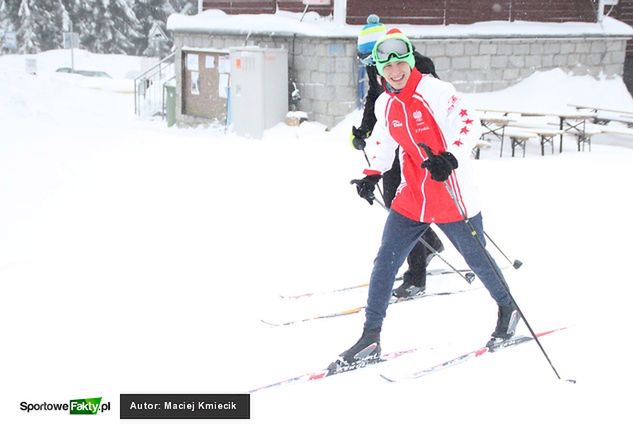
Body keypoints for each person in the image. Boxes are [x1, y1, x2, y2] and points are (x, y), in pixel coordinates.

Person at [335, 28, 519, 369]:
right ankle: (371, 336)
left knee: (477, 260)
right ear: (378, 70)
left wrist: (449, 155)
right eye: (386, 66)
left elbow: (468, 123)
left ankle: (508, 308)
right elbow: (385, 142)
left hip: (451, 192)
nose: (394, 71)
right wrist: (372, 174)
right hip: (412, 196)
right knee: (385, 262)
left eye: (399, 62)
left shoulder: (435, 90)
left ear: (408, 59)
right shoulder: (385, 102)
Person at [352, 14, 445, 299]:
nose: (373, 66)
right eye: (367, 61)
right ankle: (430, 243)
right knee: (396, 205)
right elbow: (375, 99)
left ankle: (416, 277)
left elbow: (437, 107)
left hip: (419, 151)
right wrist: (364, 130)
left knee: (408, 208)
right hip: (391, 143)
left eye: (372, 57)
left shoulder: (420, 65)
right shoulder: (377, 66)